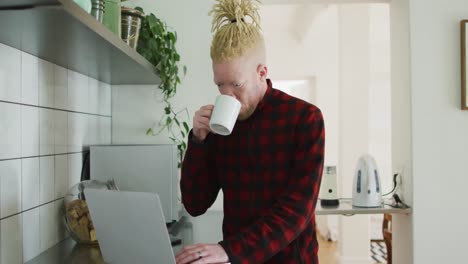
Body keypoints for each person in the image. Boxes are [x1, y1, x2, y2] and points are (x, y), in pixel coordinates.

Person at [175, 0, 325, 263]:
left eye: (236, 84)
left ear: (261, 72)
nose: (227, 95)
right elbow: (194, 204)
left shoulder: (305, 119)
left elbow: (296, 212)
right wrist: (198, 142)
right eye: (220, 85)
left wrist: (228, 250)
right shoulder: (219, 129)